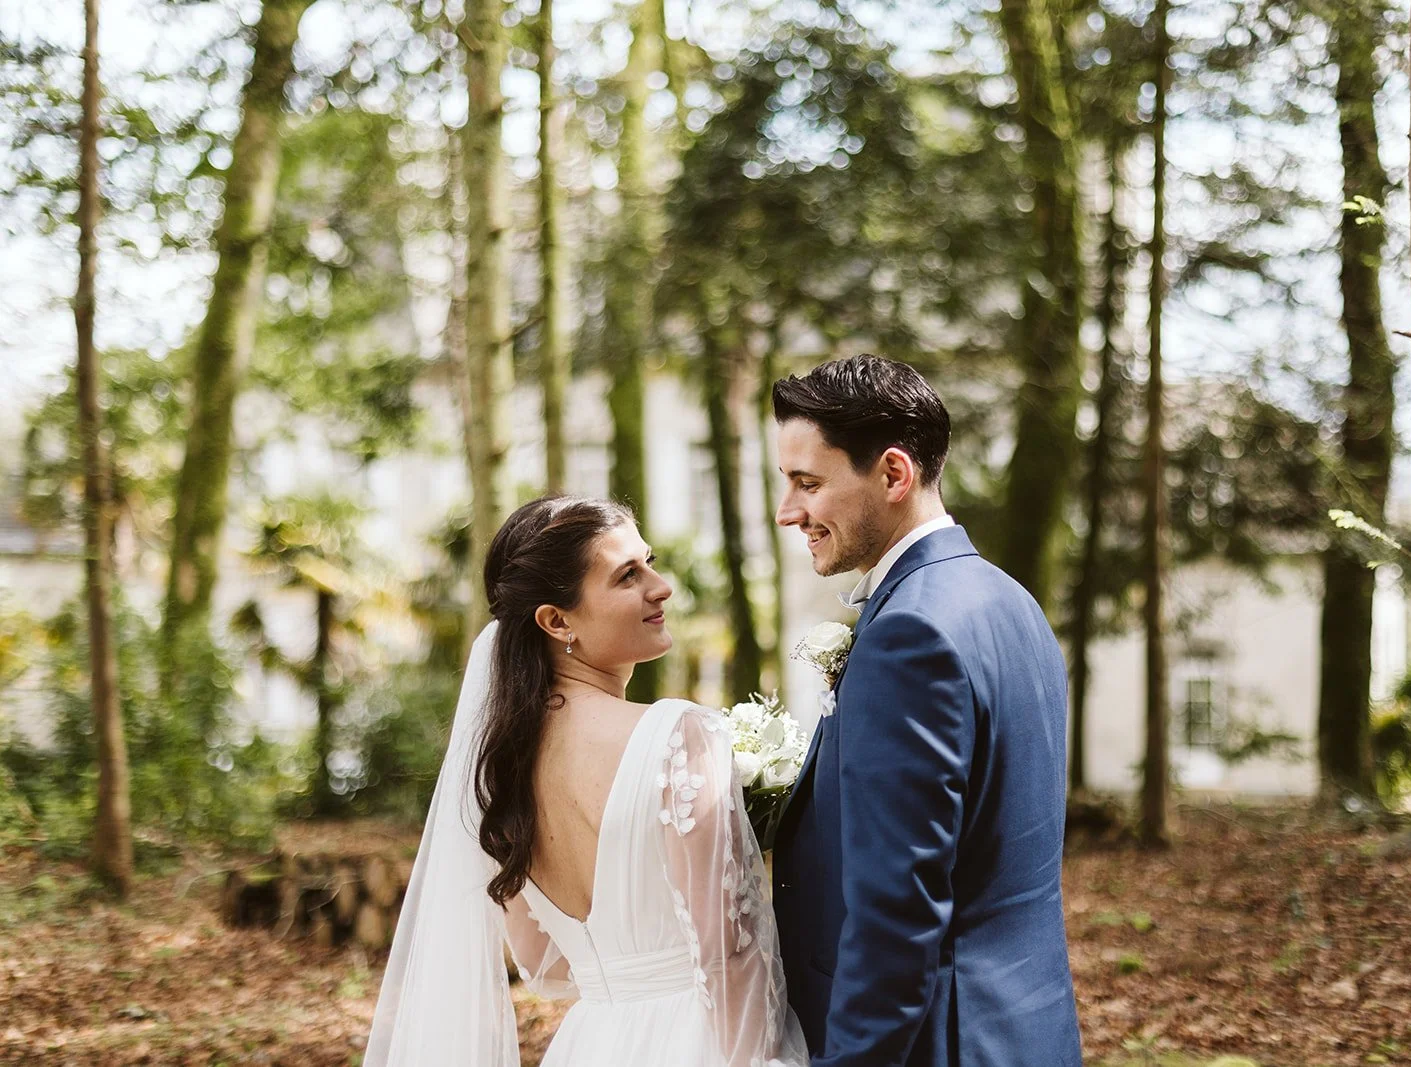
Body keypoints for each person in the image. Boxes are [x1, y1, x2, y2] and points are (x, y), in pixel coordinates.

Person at [364, 496, 808, 1066]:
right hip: (703, 1040)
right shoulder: (679, 735)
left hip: (593, 1043)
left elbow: (545, 963)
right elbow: (729, 957)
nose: (661, 585)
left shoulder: (499, 770)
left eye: (648, 561)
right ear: (556, 620)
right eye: (628, 576)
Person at [770, 354, 1083, 1067]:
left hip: (942, 1040)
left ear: (893, 474)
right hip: (1026, 1027)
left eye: (807, 483)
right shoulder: (1008, 599)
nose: (789, 512)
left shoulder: (909, 633)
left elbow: (896, 919)